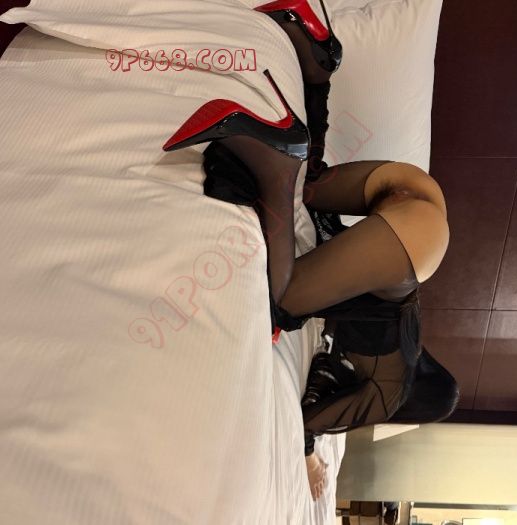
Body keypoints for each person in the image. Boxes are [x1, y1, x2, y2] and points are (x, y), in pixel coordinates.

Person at [162, 0, 459, 500]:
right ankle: (273, 166)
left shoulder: (410, 345)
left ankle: (314, 59)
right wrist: (310, 455)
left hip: (421, 201)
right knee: (285, 300)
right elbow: (309, 420)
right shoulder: (388, 398)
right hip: (411, 243)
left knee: (310, 190)